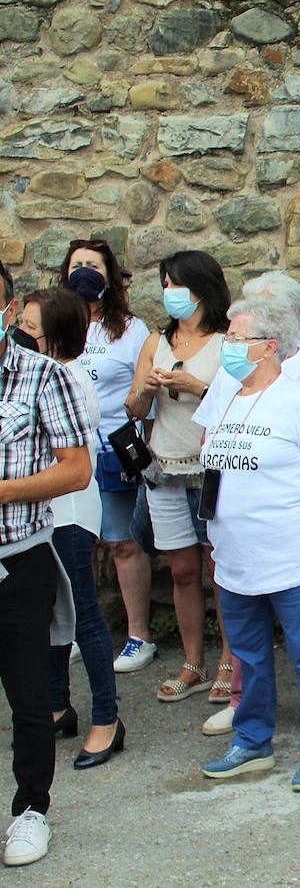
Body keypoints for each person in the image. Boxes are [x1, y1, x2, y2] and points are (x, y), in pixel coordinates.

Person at [196, 299, 300, 791]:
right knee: (250, 653)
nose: (228, 346)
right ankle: (252, 741)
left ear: (268, 347)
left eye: (237, 338)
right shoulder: (223, 395)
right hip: (235, 557)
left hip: (291, 557)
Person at [0, 262, 95, 866]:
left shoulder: (40, 377)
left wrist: (2, 491)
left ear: (9, 312)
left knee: (31, 697)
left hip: (17, 559)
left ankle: (31, 808)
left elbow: (76, 469)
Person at [20, 290, 123, 770]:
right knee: (49, 611)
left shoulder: (67, 378)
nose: (21, 332)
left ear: (56, 335)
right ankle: (58, 704)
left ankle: (108, 718)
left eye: (31, 327)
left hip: (69, 511)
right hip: (42, 512)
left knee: (83, 611)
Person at [125, 251, 231, 704]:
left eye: (175, 283)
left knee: (219, 567)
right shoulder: (155, 341)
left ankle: (230, 660)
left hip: (209, 470)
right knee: (183, 570)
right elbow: (133, 410)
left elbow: (241, 406)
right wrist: (145, 391)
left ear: (201, 288)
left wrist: (198, 389)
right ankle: (193, 662)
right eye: (164, 283)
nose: (168, 292)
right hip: (163, 467)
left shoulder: (228, 342)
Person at [59, 239, 156, 674]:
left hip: (111, 450)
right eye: (76, 264)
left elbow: (143, 392)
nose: (83, 271)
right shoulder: (56, 324)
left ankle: (139, 636)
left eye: (93, 265)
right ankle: (76, 630)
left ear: (110, 275)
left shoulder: (130, 330)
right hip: (63, 453)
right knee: (73, 545)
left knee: (120, 542)